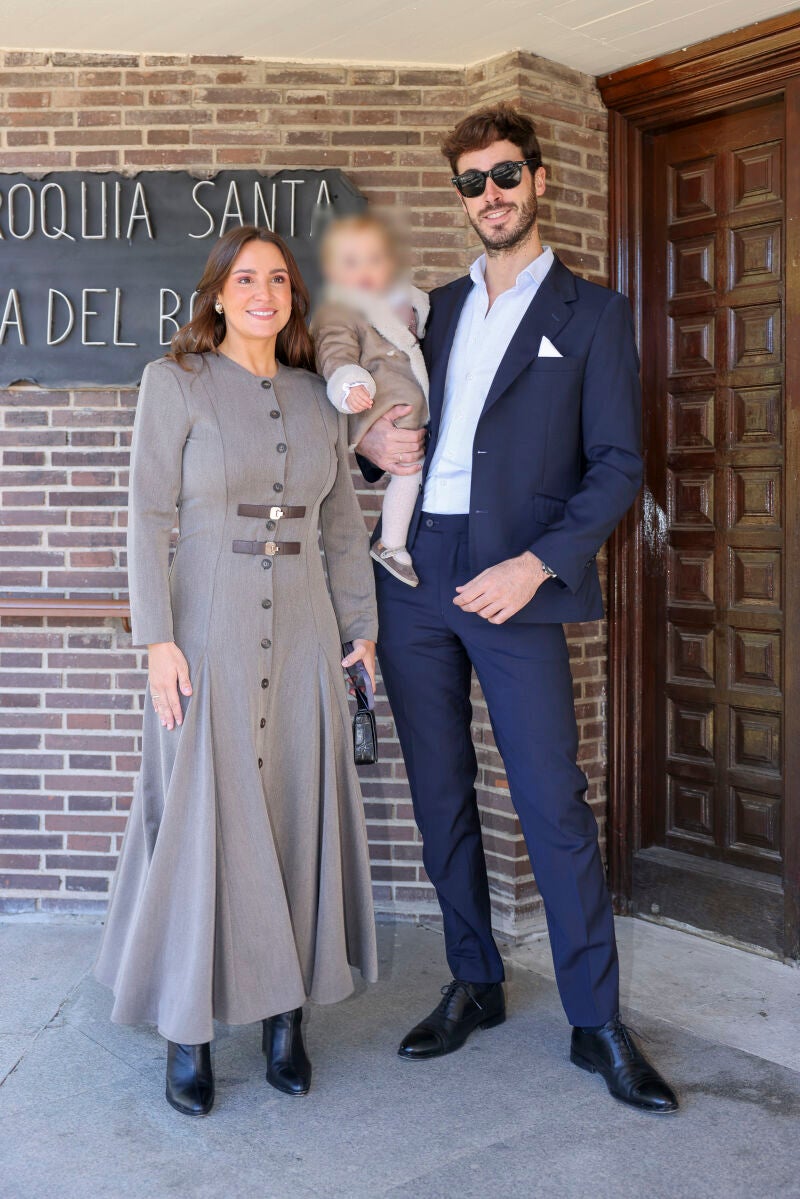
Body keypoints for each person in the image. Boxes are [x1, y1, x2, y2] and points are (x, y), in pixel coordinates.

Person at [356, 103, 679, 1114]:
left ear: (537, 180)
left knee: (550, 799)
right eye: (469, 183)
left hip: (514, 579)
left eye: (502, 175)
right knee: (439, 787)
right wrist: (371, 447)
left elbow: (617, 463)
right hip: (413, 574)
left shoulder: (592, 313)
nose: (486, 195)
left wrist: (535, 563)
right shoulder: (432, 310)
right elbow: (386, 419)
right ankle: (475, 979)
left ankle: (595, 1019)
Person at [94, 226, 379, 1117]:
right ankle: (189, 1029)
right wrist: (157, 639)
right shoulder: (171, 383)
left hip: (303, 630)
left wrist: (360, 631)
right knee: (198, 827)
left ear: (294, 296)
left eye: (279, 279)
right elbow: (146, 514)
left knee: (295, 813)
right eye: (245, 278)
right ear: (217, 292)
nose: (264, 292)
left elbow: (341, 528)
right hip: (203, 634)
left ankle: (285, 1019)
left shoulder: (316, 398)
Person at [313, 214, 429, 588]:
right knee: (409, 474)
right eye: (351, 262)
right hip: (382, 410)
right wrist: (348, 384)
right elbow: (335, 354)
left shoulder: (405, 304)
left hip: (419, 411)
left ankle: (395, 543)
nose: (363, 270)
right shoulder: (341, 311)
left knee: (417, 474)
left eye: (374, 260)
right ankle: (391, 545)